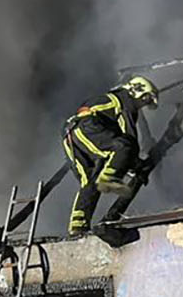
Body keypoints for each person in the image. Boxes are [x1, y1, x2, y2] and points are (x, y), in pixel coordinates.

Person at [61, 75, 158, 236]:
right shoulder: (125, 101)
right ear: (140, 93)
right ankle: (108, 180)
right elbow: (129, 139)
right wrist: (138, 165)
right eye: (145, 101)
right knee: (126, 145)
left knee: (89, 183)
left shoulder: (109, 99)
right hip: (87, 128)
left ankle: (78, 228)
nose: (143, 106)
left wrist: (129, 165)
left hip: (70, 135)